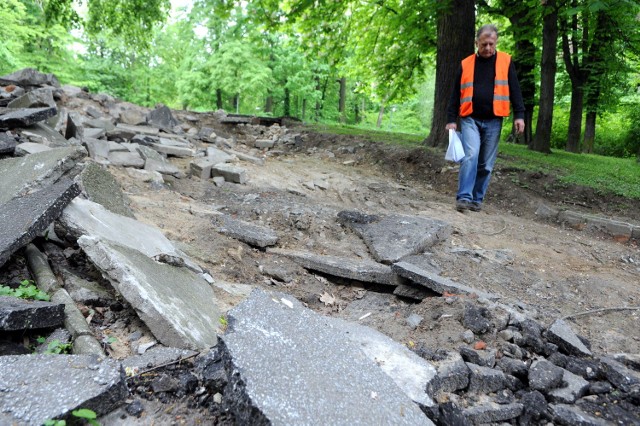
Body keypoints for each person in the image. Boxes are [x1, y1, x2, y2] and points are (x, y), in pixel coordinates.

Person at [446, 24, 525, 212]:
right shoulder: (466, 64)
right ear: (476, 43)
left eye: (491, 44)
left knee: (486, 164)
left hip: (494, 120)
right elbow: (455, 93)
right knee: (471, 155)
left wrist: (519, 115)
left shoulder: (506, 61)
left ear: (496, 42)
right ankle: (464, 197)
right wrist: (451, 119)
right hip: (470, 118)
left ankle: (477, 199)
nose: (488, 48)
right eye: (484, 45)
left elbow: (515, 90)